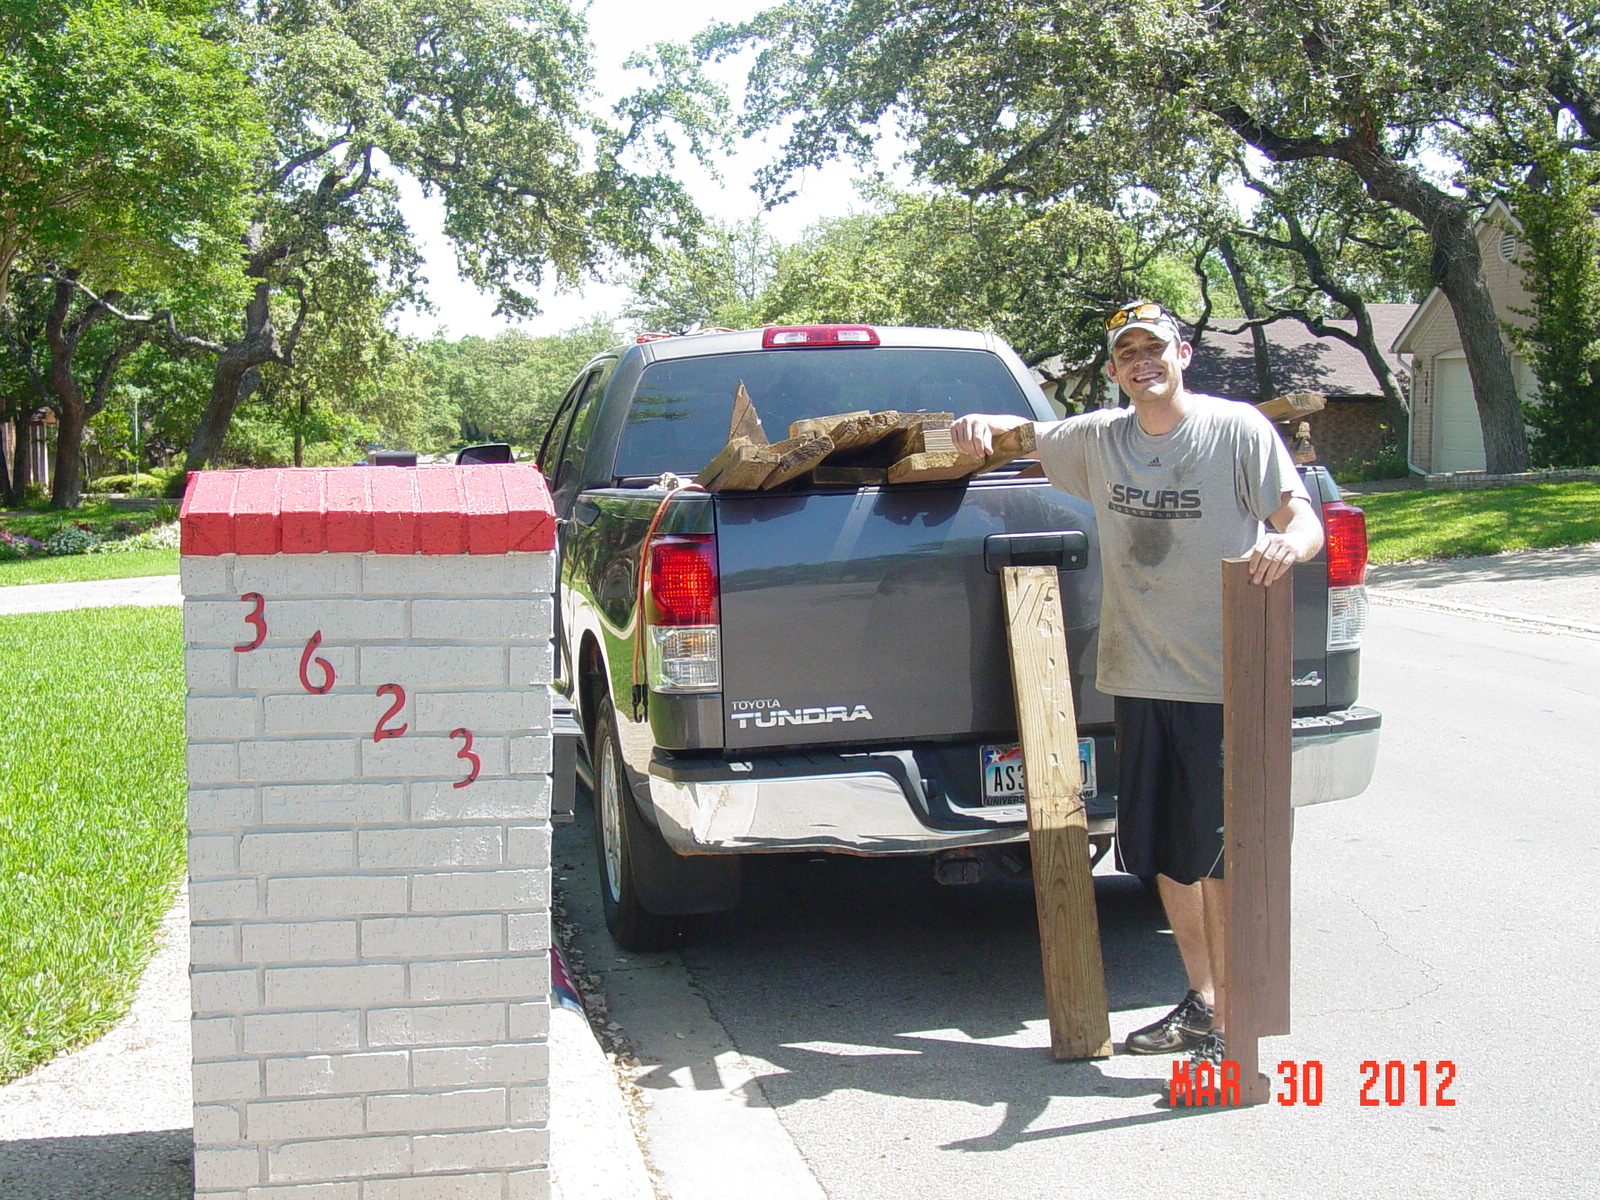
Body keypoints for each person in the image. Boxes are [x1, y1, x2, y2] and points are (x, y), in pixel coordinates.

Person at [951, 300, 1324, 1068]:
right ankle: (1203, 1002)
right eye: (1126, 355)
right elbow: (1017, 433)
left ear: (1182, 352)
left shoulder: (1235, 430)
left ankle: (1234, 1031)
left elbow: (1302, 513)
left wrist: (1291, 545)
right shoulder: (1099, 439)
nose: (1141, 363)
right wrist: (972, 424)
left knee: (1218, 857)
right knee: (1162, 854)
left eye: (1153, 348)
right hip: (1140, 677)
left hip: (1223, 681)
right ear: (1115, 369)